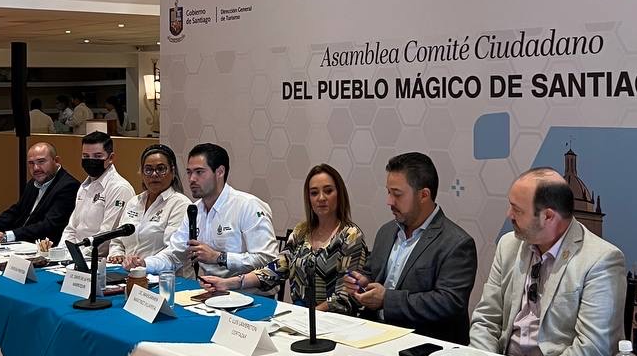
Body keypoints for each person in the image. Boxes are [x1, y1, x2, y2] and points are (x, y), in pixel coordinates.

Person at [470, 168, 625, 356]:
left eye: (517, 210)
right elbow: (485, 320)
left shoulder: (600, 260)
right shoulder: (508, 245)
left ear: (548, 216)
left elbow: (593, 348)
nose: (509, 215)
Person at [341, 152, 477, 343]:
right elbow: (372, 272)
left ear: (424, 195)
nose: (389, 201)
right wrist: (362, 282)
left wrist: (387, 300)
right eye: (388, 192)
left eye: (397, 194)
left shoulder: (456, 243)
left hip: (423, 344)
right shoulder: (387, 231)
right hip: (372, 335)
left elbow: (449, 302)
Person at [202, 163, 366, 303]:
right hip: (298, 317)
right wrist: (228, 283)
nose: (321, 198)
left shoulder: (350, 235)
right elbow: (275, 270)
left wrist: (306, 317)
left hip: (333, 321)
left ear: (339, 194)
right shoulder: (301, 232)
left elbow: (345, 296)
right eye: (314, 193)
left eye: (328, 191)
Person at [146, 142, 277, 280]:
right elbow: (173, 255)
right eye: (189, 172)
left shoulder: (248, 206)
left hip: (247, 290)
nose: (191, 179)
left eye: (199, 172)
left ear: (220, 172)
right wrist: (144, 264)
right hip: (208, 288)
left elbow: (268, 260)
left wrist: (219, 257)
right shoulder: (194, 210)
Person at [117, 144, 194, 277]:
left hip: (165, 278)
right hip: (128, 274)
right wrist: (117, 255)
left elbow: (174, 253)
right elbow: (117, 240)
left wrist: (143, 264)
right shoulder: (134, 202)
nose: (154, 174)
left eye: (161, 169)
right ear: (141, 173)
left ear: (173, 171)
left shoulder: (180, 204)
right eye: (148, 170)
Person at [0, 141, 79, 245]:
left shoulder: (69, 186)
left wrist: (6, 237)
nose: (36, 168)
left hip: (44, 246)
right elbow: (16, 212)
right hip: (21, 241)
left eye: (41, 161)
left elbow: (49, 225)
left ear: (56, 161)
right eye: (31, 163)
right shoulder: (34, 182)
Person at [60, 131, 134, 248]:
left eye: (98, 156)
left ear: (111, 158)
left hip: (97, 256)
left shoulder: (119, 188)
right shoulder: (84, 186)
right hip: (75, 254)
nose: (91, 160)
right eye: (86, 156)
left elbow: (106, 236)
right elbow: (72, 229)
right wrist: (62, 252)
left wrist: (78, 255)